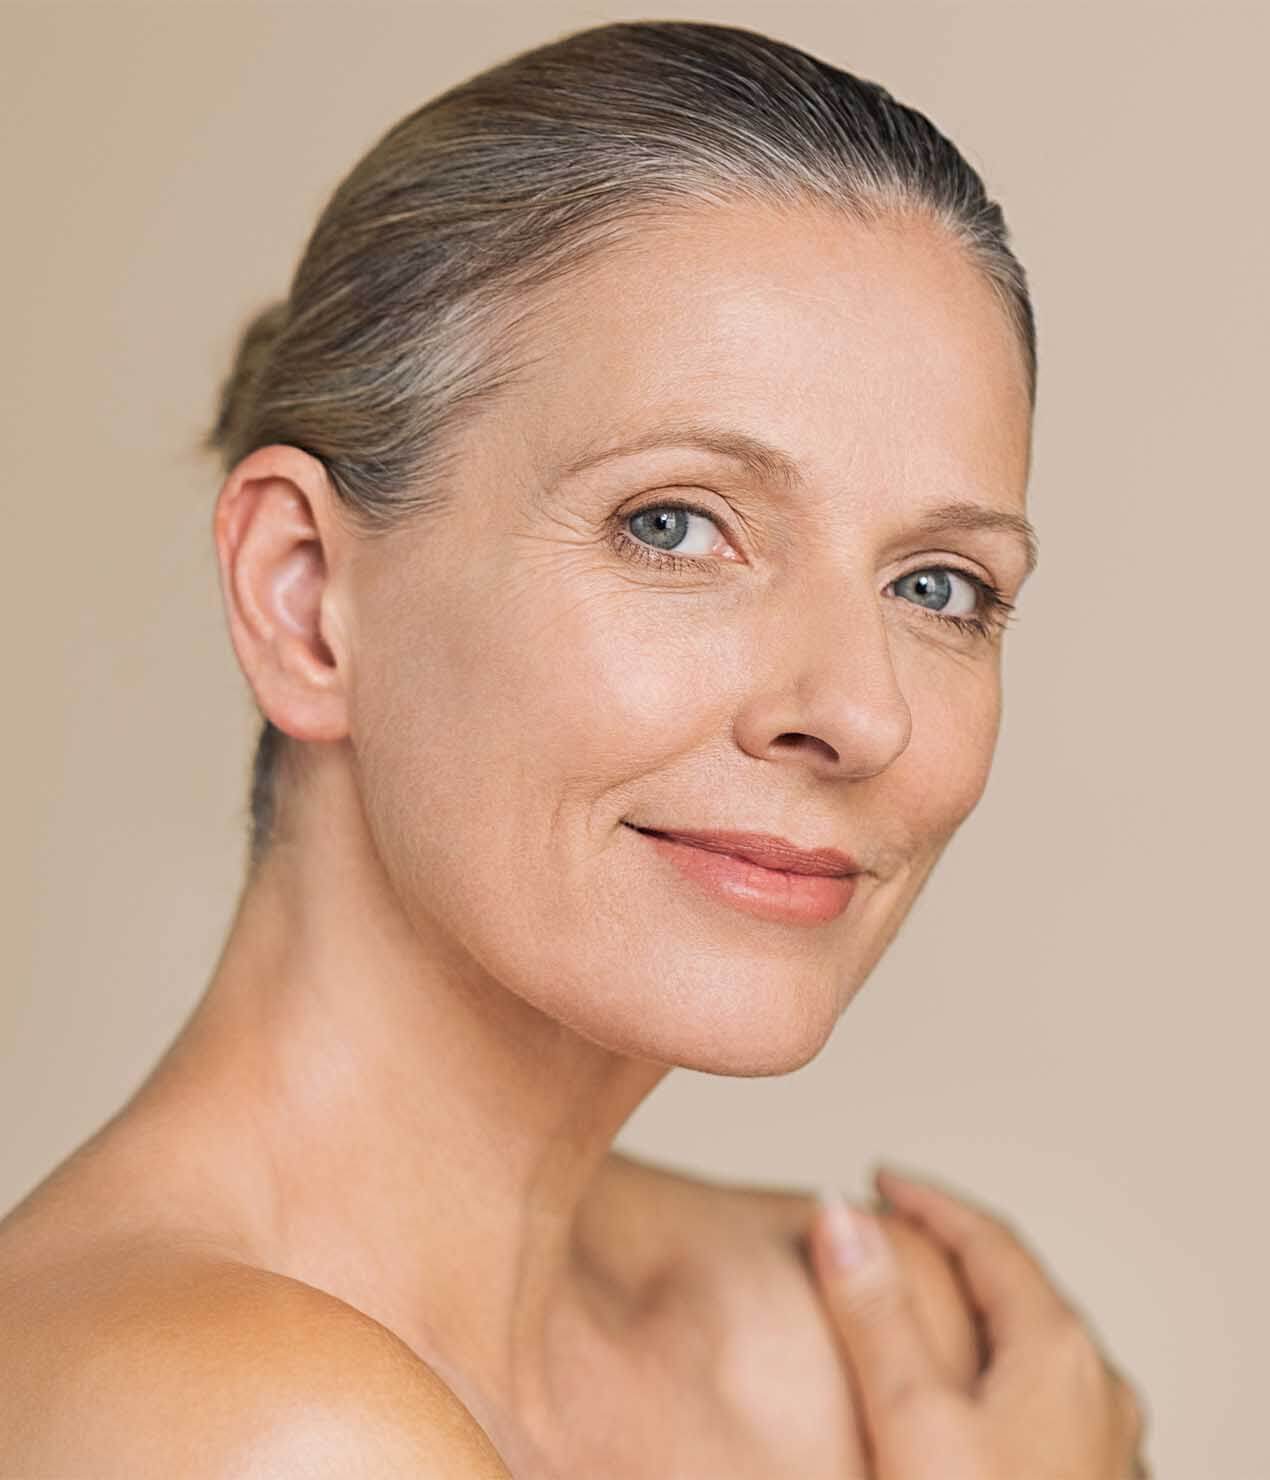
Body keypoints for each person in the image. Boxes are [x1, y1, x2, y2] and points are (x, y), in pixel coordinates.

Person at [0, 19, 1148, 1478]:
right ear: (304, 597)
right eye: (673, 524)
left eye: (938, 587)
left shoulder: (854, 1347)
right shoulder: (253, 1428)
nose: (861, 712)